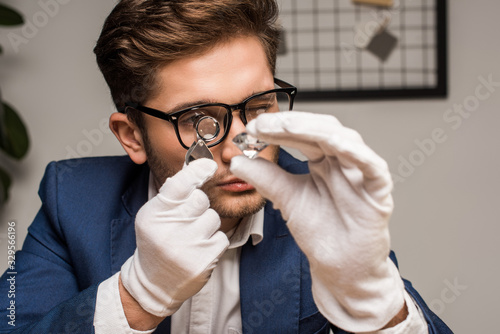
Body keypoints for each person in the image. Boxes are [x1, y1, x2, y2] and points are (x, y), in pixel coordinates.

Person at [0, 0, 453, 333]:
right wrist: (135, 297)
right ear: (132, 135)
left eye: (258, 106)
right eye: (199, 120)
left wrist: (375, 303)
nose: (241, 148)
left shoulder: (324, 201)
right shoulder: (72, 200)